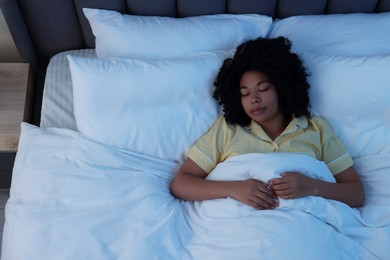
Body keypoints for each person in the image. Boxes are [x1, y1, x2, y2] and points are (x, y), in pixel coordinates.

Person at [170, 36, 364, 210]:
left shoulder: (316, 128)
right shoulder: (228, 128)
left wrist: (313, 186)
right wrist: (233, 188)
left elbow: (356, 193)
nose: (253, 98)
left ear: (282, 87)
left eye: (263, 89)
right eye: (245, 93)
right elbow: (181, 184)